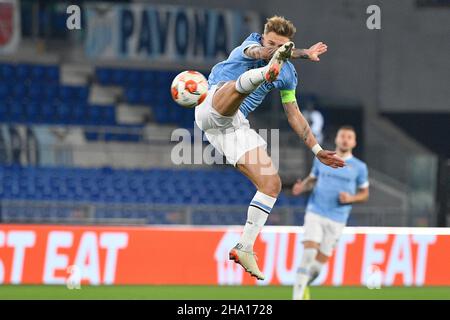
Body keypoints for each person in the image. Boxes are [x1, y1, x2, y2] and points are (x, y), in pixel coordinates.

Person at [195, 16, 345, 280]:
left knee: (271, 183)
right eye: (271, 43)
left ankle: (245, 246)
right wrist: (298, 53)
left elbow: (294, 114)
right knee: (234, 88)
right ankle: (263, 74)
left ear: (287, 46)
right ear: (263, 37)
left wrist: (317, 150)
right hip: (212, 104)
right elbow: (260, 52)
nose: (272, 47)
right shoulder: (250, 44)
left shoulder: (287, 75)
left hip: (233, 128)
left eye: (281, 46)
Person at [291, 126, 369, 299]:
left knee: (317, 269)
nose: (345, 139)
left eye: (349, 137)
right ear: (337, 139)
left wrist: (351, 199)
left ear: (354, 142)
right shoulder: (323, 158)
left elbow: (364, 194)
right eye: (343, 136)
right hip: (315, 211)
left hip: (337, 219)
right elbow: (312, 180)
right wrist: (303, 186)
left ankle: (304, 284)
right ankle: (296, 297)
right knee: (309, 253)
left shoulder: (360, 168)